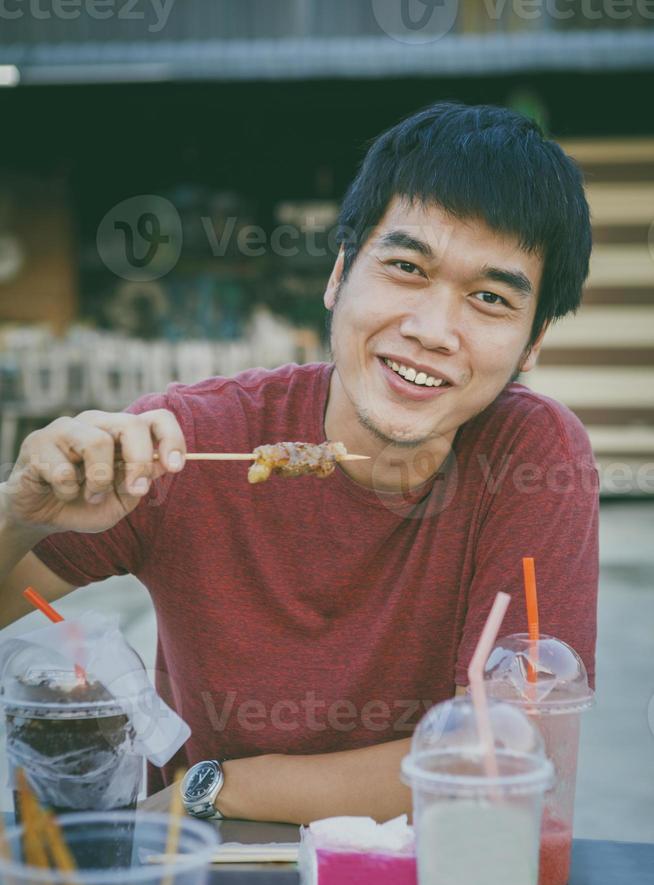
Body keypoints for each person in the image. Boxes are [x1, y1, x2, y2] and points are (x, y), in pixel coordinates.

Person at [0, 102, 598, 825]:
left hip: (438, 878)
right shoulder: (188, 441)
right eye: (406, 267)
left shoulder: (532, 459)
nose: (433, 331)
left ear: (531, 346)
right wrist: (19, 512)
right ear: (340, 274)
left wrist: (220, 786)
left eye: (490, 298)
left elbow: (505, 756)